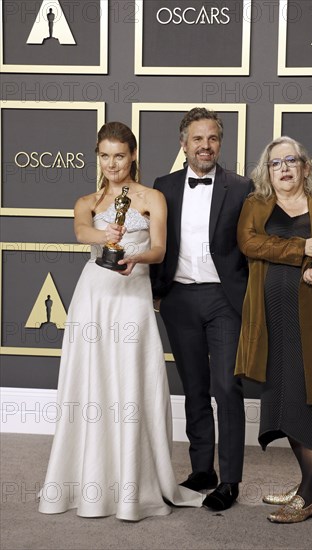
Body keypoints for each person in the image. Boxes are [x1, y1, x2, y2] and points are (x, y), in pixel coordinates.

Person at [38, 122, 202, 521]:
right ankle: (86, 481)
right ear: (98, 156)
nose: (113, 164)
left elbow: (160, 249)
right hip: (93, 297)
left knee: (132, 381)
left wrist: (134, 256)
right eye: (105, 155)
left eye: (120, 155)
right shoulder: (87, 202)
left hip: (132, 295)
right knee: (90, 382)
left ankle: (133, 487)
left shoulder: (152, 198)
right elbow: (80, 231)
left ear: (133, 157)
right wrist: (102, 237)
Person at [235, 136, 312, 523]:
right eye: (276, 163)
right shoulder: (255, 206)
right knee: (283, 396)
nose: (284, 168)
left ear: (305, 168)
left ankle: (308, 495)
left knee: (311, 397)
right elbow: (249, 243)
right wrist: (301, 248)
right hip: (271, 321)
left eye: (292, 161)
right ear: (267, 171)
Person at [150, 108, 252, 511]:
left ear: (220, 143)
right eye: (197, 138)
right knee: (193, 387)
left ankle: (229, 479)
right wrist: (157, 292)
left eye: (212, 138)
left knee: (226, 387)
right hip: (179, 299)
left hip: (224, 299)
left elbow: (252, 245)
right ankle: (201, 470)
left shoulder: (242, 187)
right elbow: (158, 244)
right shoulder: (164, 186)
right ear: (183, 143)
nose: (205, 146)